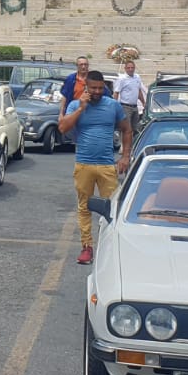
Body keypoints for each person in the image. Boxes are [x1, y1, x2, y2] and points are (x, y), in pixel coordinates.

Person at [57, 70, 132, 265]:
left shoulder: (113, 106)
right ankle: (86, 247)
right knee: (84, 207)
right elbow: (63, 128)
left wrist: (125, 156)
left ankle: (111, 247)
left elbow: (127, 129)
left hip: (107, 165)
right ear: (86, 88)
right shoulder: (76, 105)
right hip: (84, 164)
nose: (98, 91)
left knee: (111, 208)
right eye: (94, 88)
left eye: (101, 88)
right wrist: (81, 108)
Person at [115, 60, 145, 129]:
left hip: (135, 107)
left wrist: (143, 102)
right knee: (126, 128)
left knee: (136, 128)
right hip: (125, 107)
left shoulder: (137, 77)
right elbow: (116, 93)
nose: (130, 69)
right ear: (125, 68)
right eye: (128, 68)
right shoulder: (122, 79)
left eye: (132, 67)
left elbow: (139, 91)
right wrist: (115, 106)